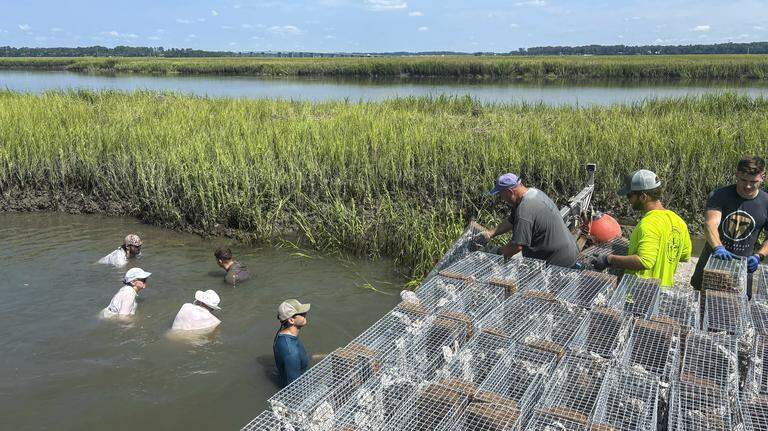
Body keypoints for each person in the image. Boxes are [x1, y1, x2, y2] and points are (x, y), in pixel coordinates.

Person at [591, 169, 692, 288]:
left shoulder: (648, 224)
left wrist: (609, 259)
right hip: (663, 291)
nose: (628, 200)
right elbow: (684, 255)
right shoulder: (679, 221)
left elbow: (644, 261)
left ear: (643, 197)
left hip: (638, 292)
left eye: (630, 195)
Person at [691, 156, 768, 297]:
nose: (748, 186)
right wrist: (718, 247)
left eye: (754, 182)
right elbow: (710, 224)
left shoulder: (766, 202)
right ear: (737, 174)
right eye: (743, 180)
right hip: (712, 263)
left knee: (733, 312)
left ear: (763, 177)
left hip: (742, 268)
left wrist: (759, 256)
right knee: (702, 309)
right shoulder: (720, 195)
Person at [475, 173, 579, 267]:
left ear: (509, 192)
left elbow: (517, 247)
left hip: (558, 260)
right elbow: (511, 221)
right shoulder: (533, 193)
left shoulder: (525, 210)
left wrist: (496, 253)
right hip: (568, 249)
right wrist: (490, 233)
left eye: (501, 194)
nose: (502, 198)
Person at [273, 299, 310, 388]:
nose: (305, 313)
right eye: (301, 314)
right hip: (299, 389)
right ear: (291, 320)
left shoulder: (281, 335)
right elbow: (294, 387)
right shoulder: (291, 352)